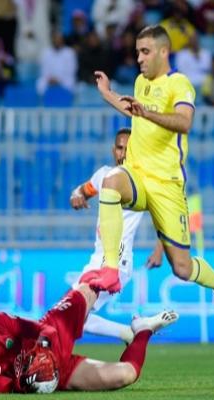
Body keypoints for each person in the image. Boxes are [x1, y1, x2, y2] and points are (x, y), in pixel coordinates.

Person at [86, 26, 214, 322]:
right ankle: (110, 268)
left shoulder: (179, 83)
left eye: (145, 52)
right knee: (110, 183)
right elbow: (135, 110)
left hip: (167, 185)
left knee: (182, 269)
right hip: (136, 174)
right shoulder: (139, 82)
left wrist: (147, 112)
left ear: (163, 52)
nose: (139, 59)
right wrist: (108, 93)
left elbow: (185, 122)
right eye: (137, 53)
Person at [0, 281, 178, 393]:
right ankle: (142, 330)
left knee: (87, 289)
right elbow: (19, 390)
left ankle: (113, 256)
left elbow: (37, 328)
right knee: (127, 374)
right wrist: (36, 376)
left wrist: (43, 345)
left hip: (51, 338)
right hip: (57, 374)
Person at [69, 128, 163, 343]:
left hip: (118, 260)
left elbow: (165, 218)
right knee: (74, 317)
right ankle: (132, 333)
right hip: (98, 258)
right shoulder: (104, 175)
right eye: (120, 148)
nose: (123, 154)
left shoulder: (140, 184)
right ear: (114, 150)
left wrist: (159, 250)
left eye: (129, 150)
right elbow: (82, 191)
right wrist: (76, 196)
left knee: (69, 312)